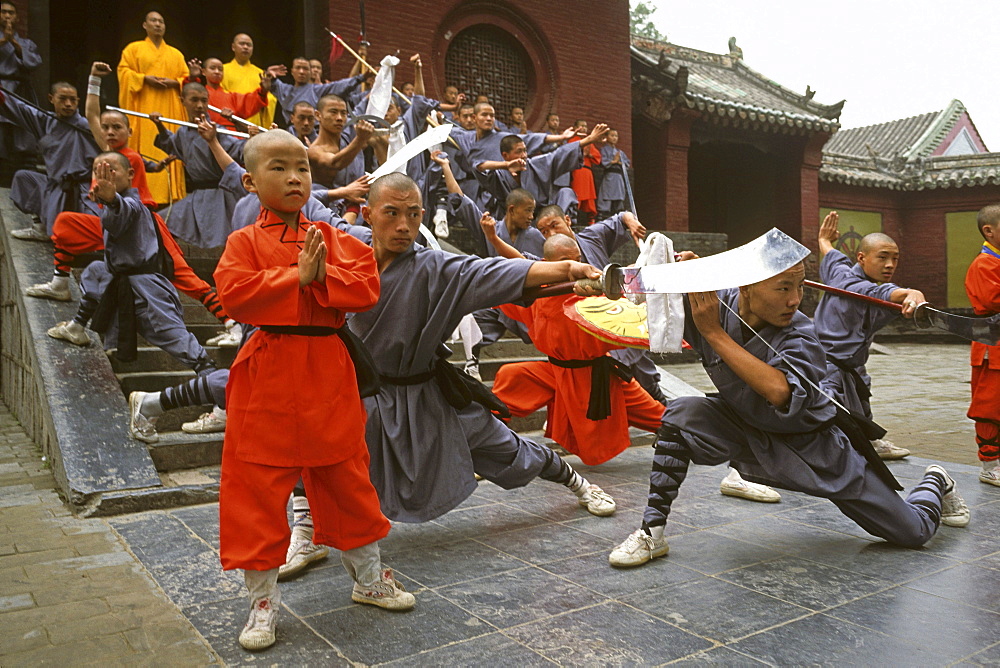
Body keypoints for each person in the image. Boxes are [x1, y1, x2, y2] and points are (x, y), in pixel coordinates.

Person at [608, 262, 970, 568]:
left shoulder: (801, 332)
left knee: (912, 533)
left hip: (815, 447)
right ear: (746, 286)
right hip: (745, 427)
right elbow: (646, 291)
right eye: (783, 287)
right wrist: (608, 280)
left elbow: (780, 392)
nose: (795, 300)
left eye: (799, 286)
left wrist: (714, 334)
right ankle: (651, 532)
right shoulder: (717, 305)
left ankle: (936, 481)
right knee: (681, 412)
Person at [214, 130, 412, 652]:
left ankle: (369, 579)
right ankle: (261, 604)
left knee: (347, 474)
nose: (295, 177)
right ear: (249, 180)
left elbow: (366, 286)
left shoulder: (334, 234)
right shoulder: (243, 242)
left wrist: (319, 278)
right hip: (270, 368)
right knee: (256, 486)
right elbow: (233, 295)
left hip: (327, 365)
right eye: (278, 168)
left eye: (301, 167)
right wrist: (293, 278)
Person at [348, 172, 618, 524]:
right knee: (321, 452)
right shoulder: (346, 252)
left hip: (428, 393)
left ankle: (576, 481)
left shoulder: (436, 267)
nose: (404, 225)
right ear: (368, 216)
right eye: (392, 214)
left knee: (505, 447)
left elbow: (493, 271)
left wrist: (567, 268)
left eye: (413, 214)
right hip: (365, 396)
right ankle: (307, 530)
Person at [29, 63, 238, 345]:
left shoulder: (131, 159)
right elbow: (91, 113)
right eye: (106, 128)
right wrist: (93, 81)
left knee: (184, 276)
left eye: (117, 127)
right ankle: (61, 286)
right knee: (67, 225)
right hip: (114, 229)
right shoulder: (105, 156)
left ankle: (231, 322)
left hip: (143, 228)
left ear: (129, 130)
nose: (111, 132)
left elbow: (133, 199)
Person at [492, 233, 666, 464]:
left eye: (577, 259)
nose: (574, 266)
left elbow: (624, 295)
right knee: (512, 378)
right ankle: (487, 443)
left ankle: (693, 437)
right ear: (548, 265)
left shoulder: (591, 291)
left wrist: (643, 273)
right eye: (566, 261)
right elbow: (513, 271)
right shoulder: (538, 292)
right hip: (555, 372)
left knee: (658, 416)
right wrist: (492, 238)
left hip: (597, 377)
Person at [52, 151, 215, 376]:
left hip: (147, 292)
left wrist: (112, 200)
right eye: (98, 172)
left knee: (172, 335)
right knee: (96, 272)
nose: (103, 178)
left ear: (130, 175)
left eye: (111, 171)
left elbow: (122, 211)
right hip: (121, 282)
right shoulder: (114, 206)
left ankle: (212, 377)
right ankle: (77, 326)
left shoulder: (133, 205)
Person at [814, 211, 925, 459]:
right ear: (862, 258)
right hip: (827, 365)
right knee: (829, 413)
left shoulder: (837, 271)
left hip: (853, 365)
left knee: (861, 400)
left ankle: (869, 441)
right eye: (883, 257)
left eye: (895, 259)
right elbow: (882, 293)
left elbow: (831, 254)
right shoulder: (853, 286)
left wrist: (824, 239)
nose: (890, 265)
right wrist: (911, 292)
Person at [0, 82, 100, 240]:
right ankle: (39, 225)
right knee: (23, 177)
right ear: (51, 99)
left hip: (82, 189)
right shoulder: (46, 120)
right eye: (63, 99)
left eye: (72, 100)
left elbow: (114, 148)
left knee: (79, 231)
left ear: (78, 102)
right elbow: (21, 109)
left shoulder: (87, 126)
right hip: (55, 184)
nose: (68, 104)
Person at [151, 82, 244, 248]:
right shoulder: (183, 132)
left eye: (203, 100)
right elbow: (172, 145)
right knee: (160, 221)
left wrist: (244, 130)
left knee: (220, 242)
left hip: (221, 196)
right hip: (196, 196)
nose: (200, 105)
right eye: (194, 100)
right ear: (183, 101)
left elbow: (240, 150)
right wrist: (159, 125)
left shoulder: (218, 131)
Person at [117, 11, 187, 205]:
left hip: (169, 108)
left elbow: (186, 80)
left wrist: (175, 83)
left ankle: (170, 196)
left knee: (169, 147)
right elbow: (123, 72)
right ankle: (144, 196)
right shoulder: (133, 49)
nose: (158, 24)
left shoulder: (175, 54)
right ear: (144, 25)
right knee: (146, 146)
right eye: (153, 21)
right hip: (143, 109)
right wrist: (143, 79)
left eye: (161, 22)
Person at [966, 204, 1000, 487]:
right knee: (989, 406)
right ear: (989, 230)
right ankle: (989, 464)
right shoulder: (984, 264)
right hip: (993, 346)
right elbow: (992, 300)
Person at [266, 57, 370, 125]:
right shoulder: (284, 89)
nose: (301, 72)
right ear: (292, 71)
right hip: (292, 135)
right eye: (298, 68)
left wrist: (361, 78)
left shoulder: (317, 90)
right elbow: (268, 84)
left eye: (305, 68)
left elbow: (338, 85)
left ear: (310, 72)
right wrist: (269, 75)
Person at [0, 1, 41, 173]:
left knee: (22, 124)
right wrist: (4, 41)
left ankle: (21, 162)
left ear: (17, 17)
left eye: (11, 13)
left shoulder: (26, 43)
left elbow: (34, 62)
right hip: (2, 86)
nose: (7, 16)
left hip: (19, 88)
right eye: (3, 12)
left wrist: (15, 44)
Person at [305, 93, 373, 189]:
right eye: (333, 112)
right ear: (318, 115)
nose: (339, 118)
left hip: (362, 201)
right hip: (331, 203)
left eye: (343, 113)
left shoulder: (348, 139)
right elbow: (336, 163)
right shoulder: (314, 151)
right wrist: (360, 139)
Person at [185, 57, 269, 131]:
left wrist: (263, 91)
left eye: (220, 69)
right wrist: (192, 78)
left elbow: (251, 100)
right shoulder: (199, 93)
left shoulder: (232, 96)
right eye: (213, 68)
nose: (217, 72)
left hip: (230, 136)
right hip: (204, 132)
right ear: (203, 71)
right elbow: (188, 94)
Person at [221, 33, 275, 129]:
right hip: (232, 120)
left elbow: (269, 98)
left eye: (249, 45)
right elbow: (221, 95)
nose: (245, 47)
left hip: (255, 122)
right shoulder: (223, 70)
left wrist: (266, 97)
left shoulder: (260, 73)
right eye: (242, 44)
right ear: (233, 47)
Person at [568, 120, 601, 224]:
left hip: (588, 171)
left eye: (586, 126)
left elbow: (597, 157)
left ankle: (591, 219)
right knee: (578, 194)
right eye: (581, 126)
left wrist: (589, 155)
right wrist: (582, 153)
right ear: (575, 128)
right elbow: (569, 153)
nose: (584, 128)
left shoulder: (589, 141)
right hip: (578, 170)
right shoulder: (572, 139)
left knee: (590, 197)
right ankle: (573, 217)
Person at [597, 129, 630, 218]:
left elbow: (627, 163)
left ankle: (619, 214)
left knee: (619, 198)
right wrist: (613, 161)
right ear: (606, 137)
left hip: (618, 177)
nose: (614, 138)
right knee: (606, 196)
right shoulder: (603, 150)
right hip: (609, 176)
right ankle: (604, 213)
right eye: (612, 135)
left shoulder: (620, 152)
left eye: (616, 136)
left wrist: (620, 163)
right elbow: (602, 161)